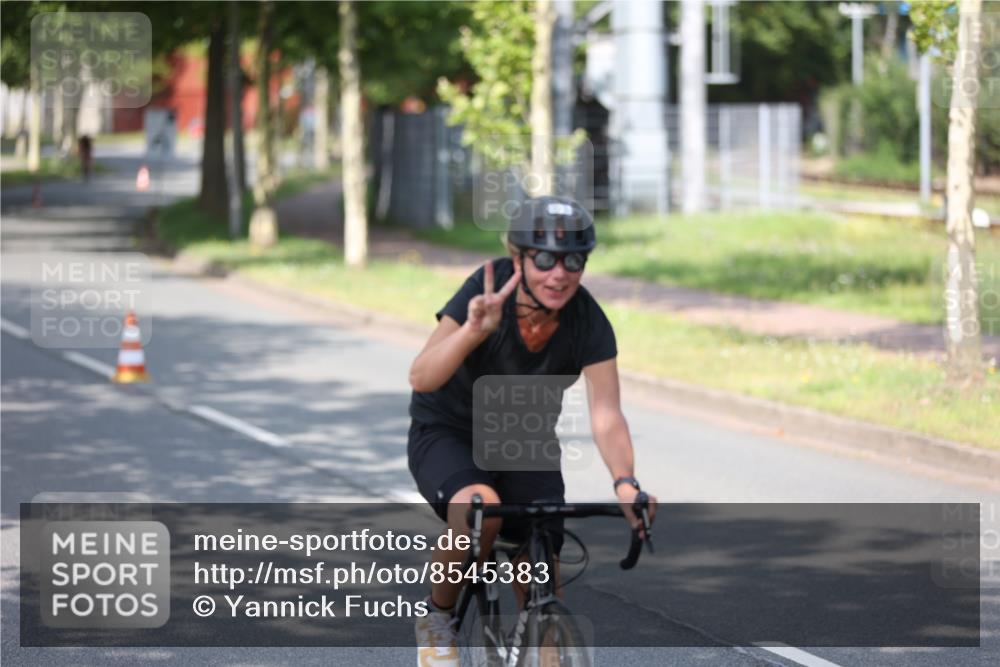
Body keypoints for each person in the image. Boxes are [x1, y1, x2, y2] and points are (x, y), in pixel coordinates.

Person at [408, 195, 658, 666]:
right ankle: (438, 617)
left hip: (523, 441)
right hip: (448, 431)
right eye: (544, 259)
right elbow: (421, 376)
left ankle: (546, 647)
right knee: (482, 509)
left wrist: (626, 483)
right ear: (518, 256)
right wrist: (472, 332)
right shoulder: (485, 291)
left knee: (540, 563)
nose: (559, 274)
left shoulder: (587, 320)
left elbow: (606, 414)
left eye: (573, 261)